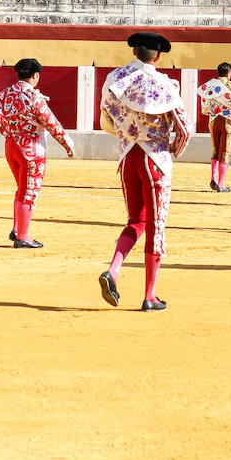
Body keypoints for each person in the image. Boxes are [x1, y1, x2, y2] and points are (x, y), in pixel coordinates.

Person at [97, 33, 190, 311]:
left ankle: (113, 270)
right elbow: (184, 128)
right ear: (158, 56)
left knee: (135, 220)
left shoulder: (115, 78)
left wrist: (126, 135)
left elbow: (106, 118)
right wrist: (173, 148)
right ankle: (150, 295)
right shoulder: (164, 84)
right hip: (155, 159)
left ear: (134, 51)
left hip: (127, 157)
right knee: (155, 226)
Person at [0, 57, 74, 249]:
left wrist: (12, 133)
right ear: (35, 76)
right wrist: (67, 144)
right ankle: (23, 235)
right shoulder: (34, 98)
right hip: (30, 149)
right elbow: (51, 122)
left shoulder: (4, 95)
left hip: (11, 146)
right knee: (28, 193)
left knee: (21, 190)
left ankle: (16, 229)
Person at [196, 62, 231, 192]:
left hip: (213, 121)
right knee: (225, 152)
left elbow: (205, 107)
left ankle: (213, 179)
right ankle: (220, 184)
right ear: (228, 73)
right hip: (228, 121)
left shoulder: (208, 85)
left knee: (215, 150)